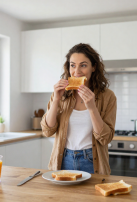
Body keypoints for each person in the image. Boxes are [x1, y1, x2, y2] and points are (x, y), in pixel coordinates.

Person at [41, 43, 117, 175]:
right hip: (63, 159)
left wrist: (92, 107)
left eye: (83, 65)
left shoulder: (107, 96)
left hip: (92, 161)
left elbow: (105, 138)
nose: (77, 72)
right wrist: (56, 100)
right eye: (73, 65)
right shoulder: (60, 93)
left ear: (93, 67)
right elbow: (47, 131)